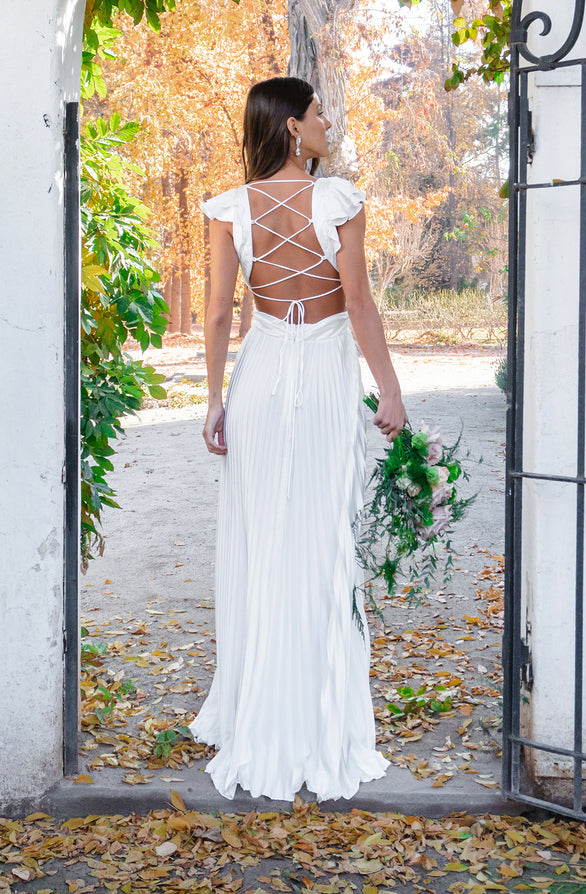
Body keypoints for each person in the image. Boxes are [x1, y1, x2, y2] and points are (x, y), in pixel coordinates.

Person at [188, 76, 409, 802]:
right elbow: (357, 303)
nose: (327, 124)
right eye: (317, 114)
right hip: (321, 381)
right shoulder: (338, 200)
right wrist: (392, 391)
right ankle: (318, 719)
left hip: (259, 382)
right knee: (320, 541)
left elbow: (220, 314)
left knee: (260, 543)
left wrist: (215, 400)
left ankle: (260, 707)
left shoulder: (231, 210)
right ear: (291, 128)